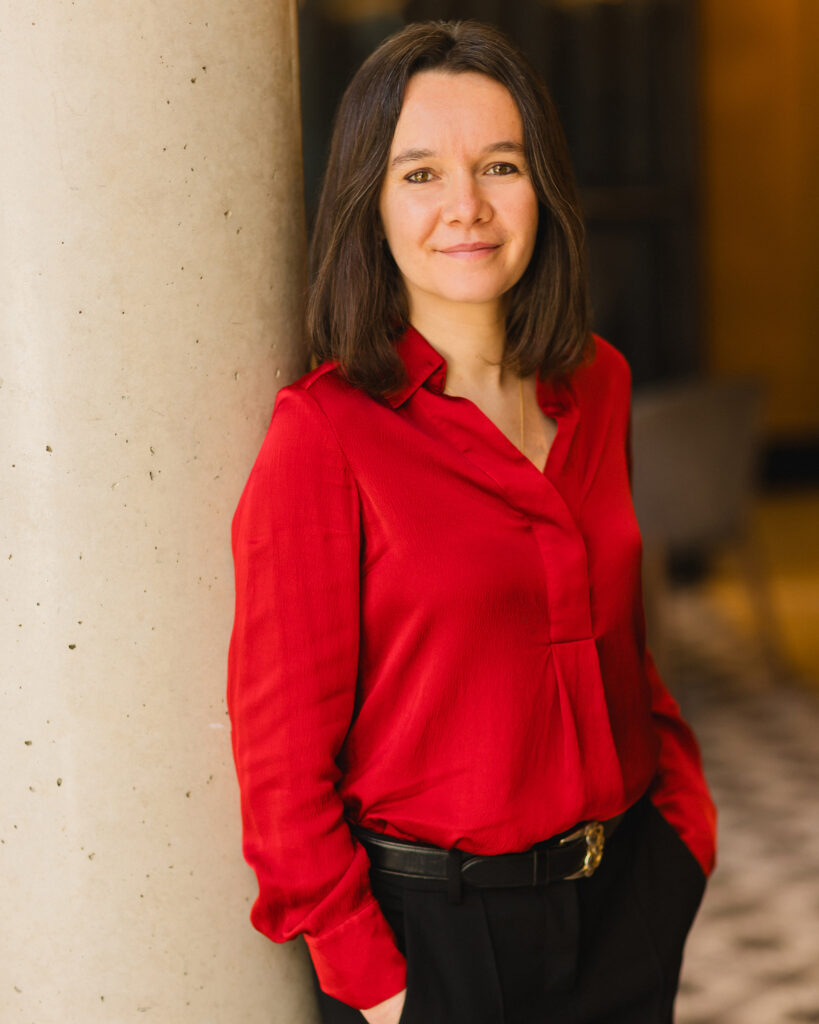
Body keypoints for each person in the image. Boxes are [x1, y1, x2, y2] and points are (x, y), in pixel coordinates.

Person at [227, 20, 716, 1024]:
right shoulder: (326, 435)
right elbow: (280, 762)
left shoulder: (601, 383)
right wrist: (383, 987)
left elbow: (620, 637)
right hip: (439, 942)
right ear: (369, 201)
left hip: (626, 895)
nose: (466, 207)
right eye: (419, 174)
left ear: (544, 189)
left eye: (500, 164)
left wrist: (682, 831)